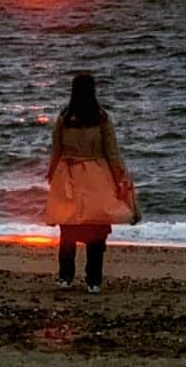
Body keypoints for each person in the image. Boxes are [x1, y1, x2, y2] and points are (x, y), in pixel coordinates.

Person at [45, 72, 139, 294]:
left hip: (69, 176)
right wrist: (122, 177)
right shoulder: (102, 119)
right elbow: (112, 153)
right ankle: (94, 280)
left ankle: (65, 277)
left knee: (68, 229)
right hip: (98, 177)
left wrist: (52, 177)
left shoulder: (64, 118)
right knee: (96, 230)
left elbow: (56, 151)